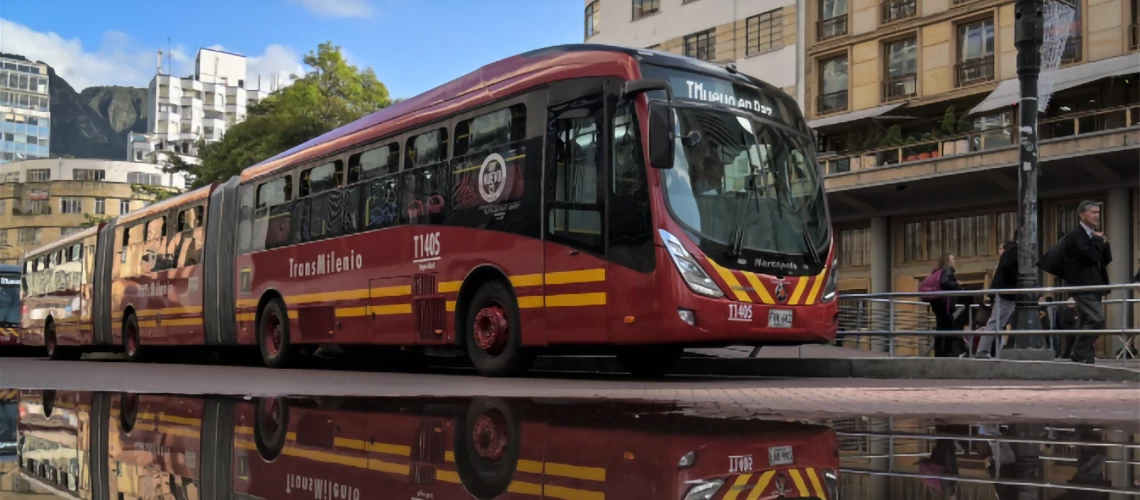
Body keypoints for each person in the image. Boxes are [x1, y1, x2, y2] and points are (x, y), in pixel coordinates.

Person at [1061, 201, 1113, 364]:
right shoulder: (1076, 235)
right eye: (1092, 212)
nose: (1097, 215)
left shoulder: (1094, 235)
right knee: (1097, 319)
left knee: (1085, 322)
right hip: (1082, 285)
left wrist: (1103, 243)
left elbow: (1105, 259)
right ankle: (1077, 354)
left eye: (1098, 212)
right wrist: (1097, 242)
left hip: (1096, 284)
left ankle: (1086, 359)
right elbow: (1088, 256)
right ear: (1082, 215)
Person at [977, 242, 1019, 358]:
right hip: (1007, 293)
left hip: (1005, 292)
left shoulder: (1010, 252)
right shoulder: (1014, 251)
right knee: (996, 323)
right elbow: (1008, 269)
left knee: (998, 323)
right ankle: (983, 351)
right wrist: (1018, 279)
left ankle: (989, 351)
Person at [925, 253, 963, 357]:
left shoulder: (938, 271)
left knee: (941, 328)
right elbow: (944, 282)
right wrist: (957, 284)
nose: (955, 261)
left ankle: (939, 353)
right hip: (943, 303)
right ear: (947, 261)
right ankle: (947, 352)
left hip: (938, 303)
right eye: (953, 259)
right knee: (950, 327)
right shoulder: (947, 269)